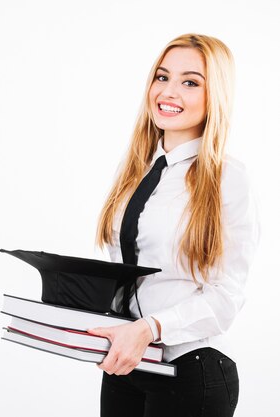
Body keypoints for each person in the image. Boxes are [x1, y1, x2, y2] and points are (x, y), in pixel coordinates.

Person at [87, 34, 260, 417]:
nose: (168, 91)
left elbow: (226, 296)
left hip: (189, 369)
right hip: (127, 363)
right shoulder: (135, 170)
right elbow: (128, 270)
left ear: (214, 95)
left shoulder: (227, 178)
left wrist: (150, 328)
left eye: (190, 82)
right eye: (162, 77)